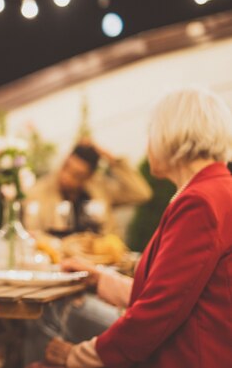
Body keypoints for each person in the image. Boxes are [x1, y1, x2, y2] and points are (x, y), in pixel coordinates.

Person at [43, 87, 232, 368]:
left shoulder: (200, 201)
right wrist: (102, 279)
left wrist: (79, 357)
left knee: (49, 313)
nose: (148, 144)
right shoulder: (217, 188)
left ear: (171, 135)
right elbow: (178, 293)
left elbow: (160, 311)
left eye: (151, 133)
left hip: (189, 357)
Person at [24, 141, 152, 237]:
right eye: (66, 167)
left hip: (99, 260)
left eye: (76, 175)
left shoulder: (100, 188)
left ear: (89, 176)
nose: (66, 177)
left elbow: (141, 193)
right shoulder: (39, 192)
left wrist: (112, 159)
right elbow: (33, 233)